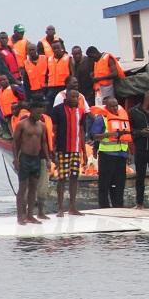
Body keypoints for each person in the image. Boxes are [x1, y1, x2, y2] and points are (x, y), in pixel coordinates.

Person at [49, 88, 90, 217]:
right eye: (73, 97)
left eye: (77, 97)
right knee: (62, 178)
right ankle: (60, 208)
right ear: (66, 98)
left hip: (76, 149)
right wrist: (53, 150)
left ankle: (73, 207)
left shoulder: (81, 111)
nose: (75, 100)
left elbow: (82, 131)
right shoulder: (57, 110)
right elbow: (53, 131)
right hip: (63, 149)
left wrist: (84, 151)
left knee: (74, 177)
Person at [11, 98, 50, 225]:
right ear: (31, 111)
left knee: (33, 187)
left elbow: (44, 143)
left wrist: (48, 159)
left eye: (41, 113)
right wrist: (16, 159)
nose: (40, 115)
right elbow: (15, 142)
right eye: (38, 113)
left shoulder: (42, 126)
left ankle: (30, 215)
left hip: (36, 159)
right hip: (25, 158)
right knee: (23, 187)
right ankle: (20, 216)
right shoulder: (22, 124)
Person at [89, 94, 132, 208]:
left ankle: (118, 205)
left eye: (116, 106)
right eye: (112, 106)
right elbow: (93, 136)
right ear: (106, 107)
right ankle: (104, 207)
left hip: (121, 155)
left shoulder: (123, 118)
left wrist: (129, 153)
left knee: (119, 183)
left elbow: (126, 137)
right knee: (105, 183)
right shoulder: (101, 118)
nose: (115, 108)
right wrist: (108, 134)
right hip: (107, 155)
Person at [0, 74, 22, 138]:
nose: (4, 81)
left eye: (5, 79)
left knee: (18, 128)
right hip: (7, 115)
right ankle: (14, 139)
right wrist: (2, 115)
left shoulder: (14, 88)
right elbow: (0, 105)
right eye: (1, 80)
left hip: (16, 113)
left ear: (8, 80)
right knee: (12, 130)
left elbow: (23, 97)